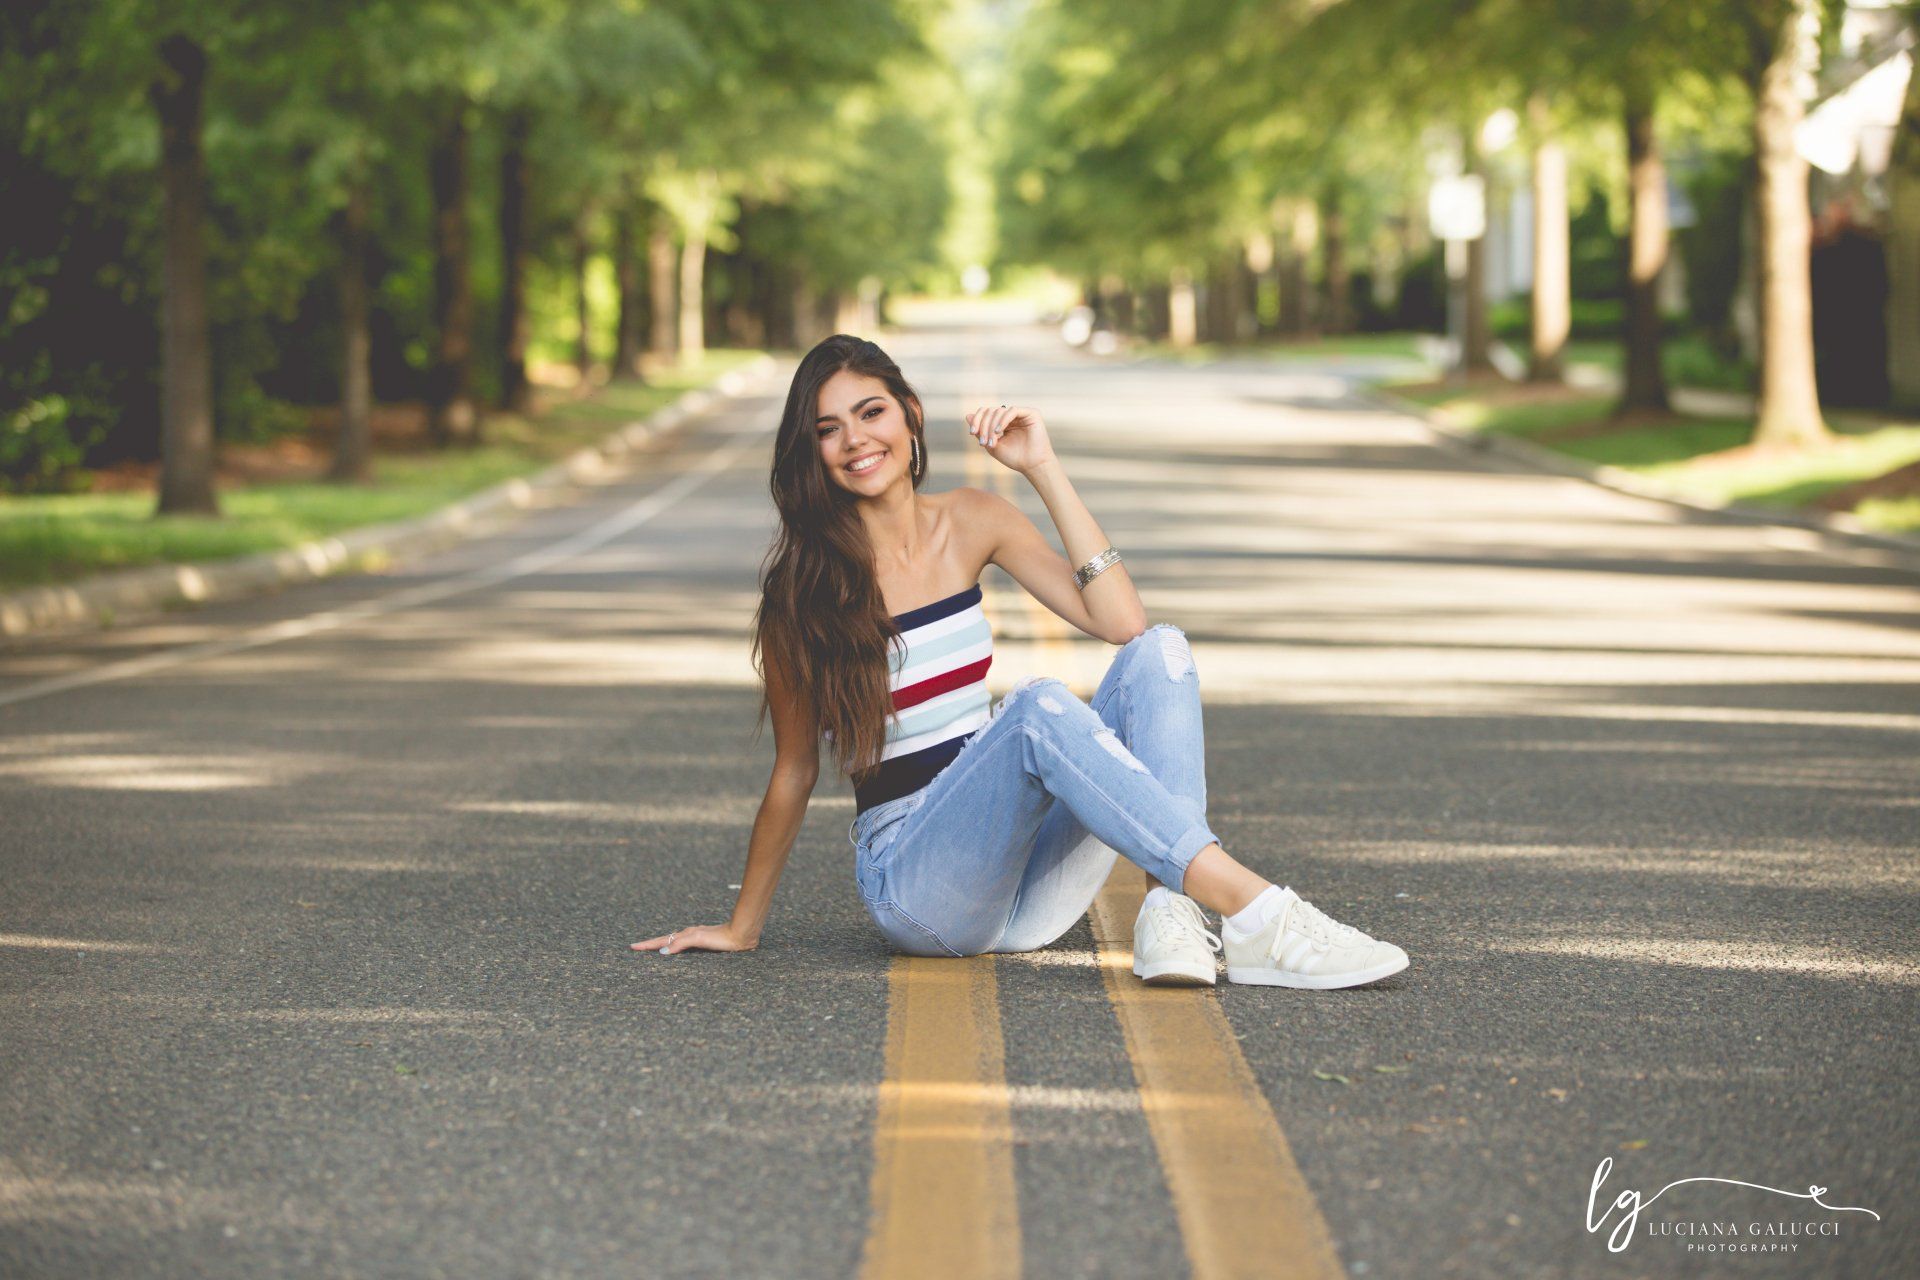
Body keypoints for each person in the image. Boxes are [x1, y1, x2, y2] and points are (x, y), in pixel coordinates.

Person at [631, 335, 1409, 988]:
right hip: (916, 884)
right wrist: (742, 926)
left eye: (870, 413)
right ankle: (1260, 915)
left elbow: (1121, 623)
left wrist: (1041, 466)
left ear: (909, 415)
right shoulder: (804, 589)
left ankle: (1174, 909)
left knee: (1160, 651)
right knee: (1037, 707)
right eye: (828, 429)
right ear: (813, 451)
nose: (855, 439)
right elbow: (795, 770)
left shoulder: (975, 520)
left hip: (1025, 890)